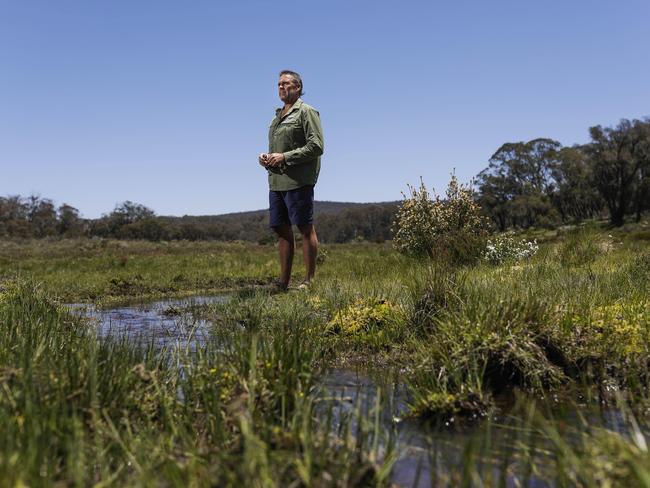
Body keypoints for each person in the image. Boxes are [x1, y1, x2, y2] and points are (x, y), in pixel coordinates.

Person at [259, 70, 324, 291]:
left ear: (297, 87)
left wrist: (285, 157)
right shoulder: (276, 118)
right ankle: (283, 282)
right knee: (281, 229)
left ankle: (309, 281)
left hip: (299, 181)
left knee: (305, 228)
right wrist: (267, 158)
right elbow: (278, 151)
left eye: (285, 84)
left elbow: (316, 147)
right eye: (278, 84)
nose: (281, 88)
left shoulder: (306, 112)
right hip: (276, 182)